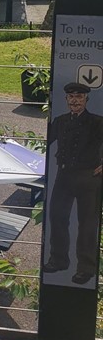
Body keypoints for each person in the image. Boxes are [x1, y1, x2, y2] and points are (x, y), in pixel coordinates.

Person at [43, 82, 103, 284]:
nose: (75, 101)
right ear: (66, 100)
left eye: (79, 97)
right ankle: (58, 260)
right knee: (57, 217)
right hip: (64, 176)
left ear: (86, 99)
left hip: (89, 178)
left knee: (87, 224)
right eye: (71, 97)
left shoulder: (97, 122)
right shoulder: (59, 122)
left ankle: (86, 268)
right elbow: (46, 142)